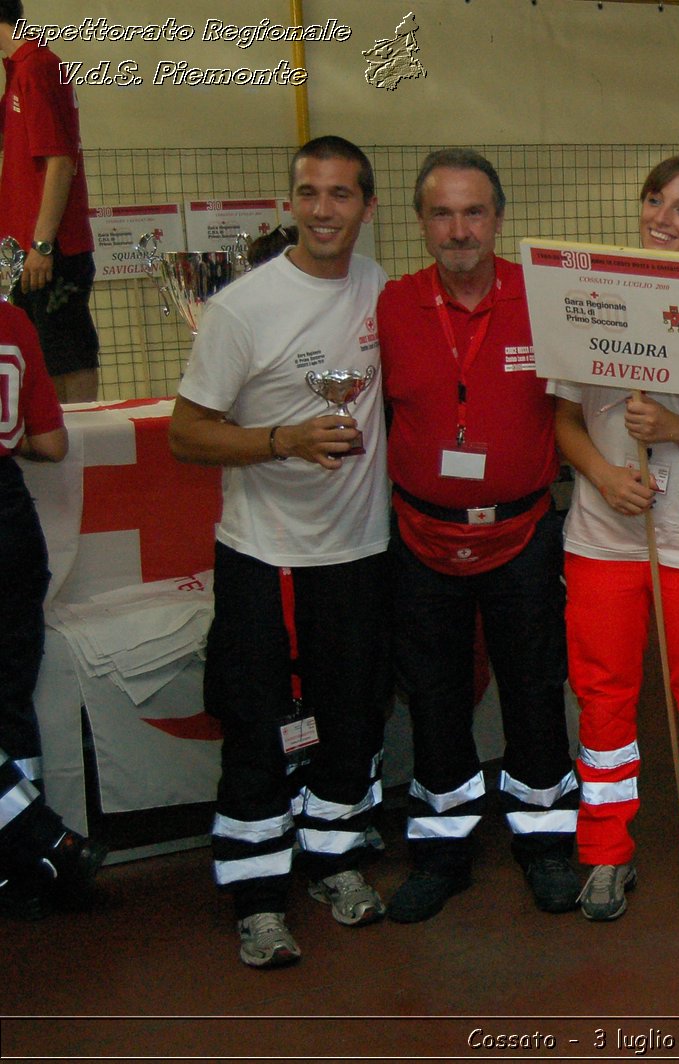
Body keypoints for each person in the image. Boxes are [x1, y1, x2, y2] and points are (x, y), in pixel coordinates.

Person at [169, 136, 391, 969]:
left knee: (352, 719)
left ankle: (336, 862)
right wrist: (281, 440)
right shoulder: (243, 308)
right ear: (289, 203)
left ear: (367, 207)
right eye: (309, 193)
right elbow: (187, 434)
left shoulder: (385, 291)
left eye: (341, 195)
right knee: (263, 731)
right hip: (270, 560)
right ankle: (258, 899)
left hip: (362, 553)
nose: (324, 209)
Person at [376, 149, 579, 923]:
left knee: (534, 693)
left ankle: (545, 844)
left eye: (473, 212)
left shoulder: (547, 298)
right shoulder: (392, 305)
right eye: (441, 213)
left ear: (498, 217)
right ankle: (442, 852)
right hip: (422, 540)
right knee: (434, 700)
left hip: (524, 534)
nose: (458, 229)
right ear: (420, 222)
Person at [555, 156, 679, 924]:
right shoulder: (591, 302)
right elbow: (567, 419)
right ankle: (606, 853)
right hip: (603, 537)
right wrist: (606, 477)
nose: (662, 221)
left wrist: (673, 428)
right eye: (654, 203)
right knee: (604, 700)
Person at [0, 299, 105, 920]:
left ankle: (45, 841)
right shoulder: (12, 321)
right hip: (12, 522)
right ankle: (23, 870)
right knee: (10, 700)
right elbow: (51, 441)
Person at [0, 1, 100, 403]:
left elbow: (61, 161)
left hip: (51, 247)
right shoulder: (18, 71)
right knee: (39, 354)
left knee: (65, 353)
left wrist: (42, 245)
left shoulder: (37, 67)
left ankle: (84, 448)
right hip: (26, 247)